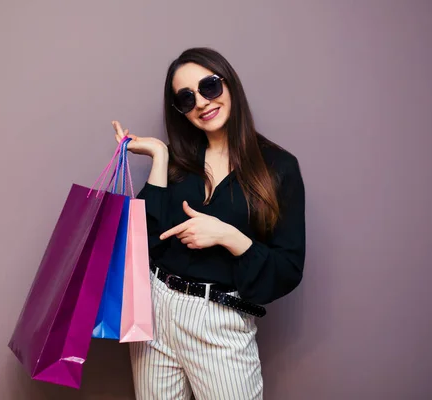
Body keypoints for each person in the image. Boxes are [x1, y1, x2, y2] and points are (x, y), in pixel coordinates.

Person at [111, 47, 306, 400]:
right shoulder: (179, 161)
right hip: (155, 312)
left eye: (210, 86)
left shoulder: (279, 168)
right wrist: (159, 156)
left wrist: (230, 237)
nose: (201, 102)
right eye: (186, 98)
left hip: (218, 318)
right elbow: (144, 241)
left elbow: (288, 268)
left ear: (229, 85)